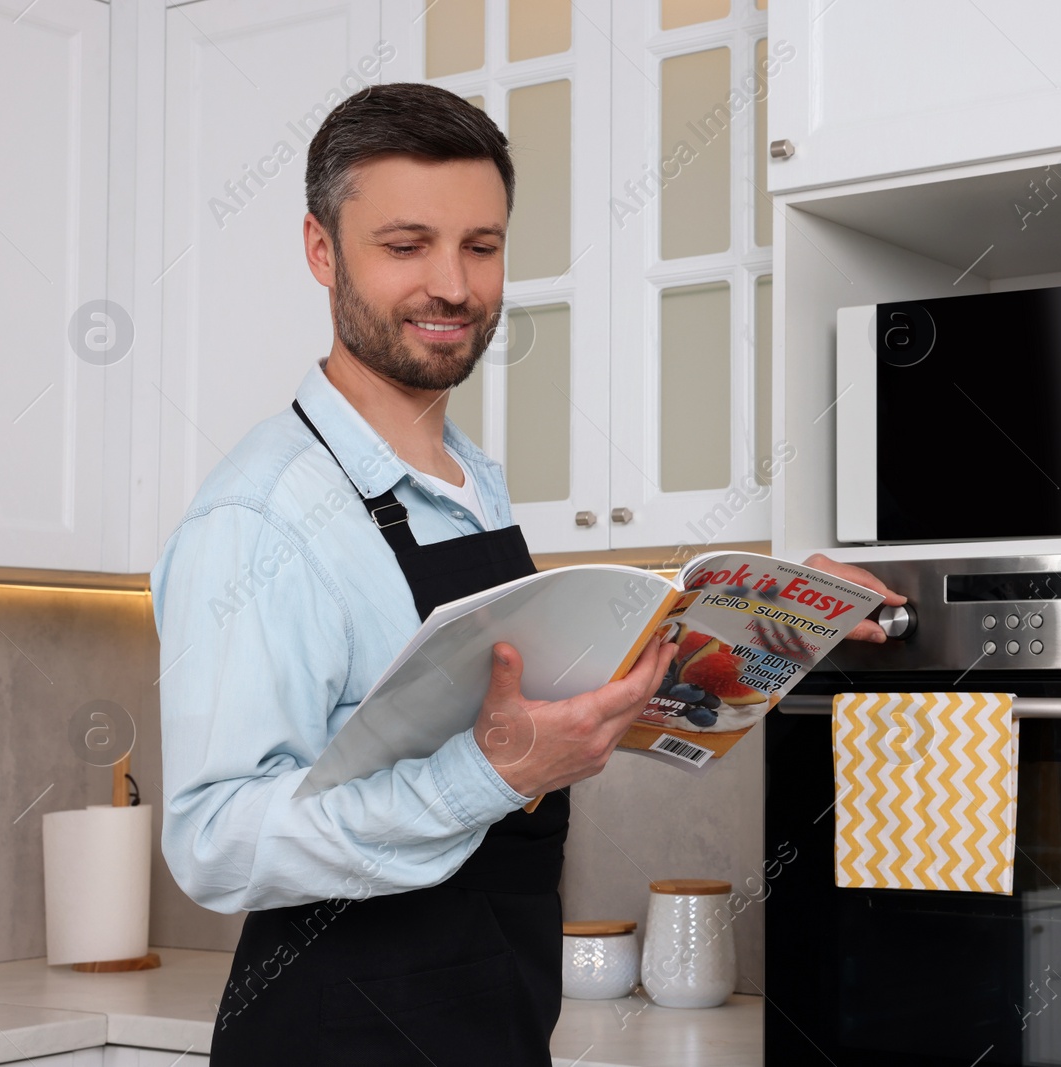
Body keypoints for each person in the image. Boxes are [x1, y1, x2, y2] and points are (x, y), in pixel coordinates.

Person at [151, 81, 903, 1066]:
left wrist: (762, 623)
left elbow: (530, 713)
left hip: (493, 1014)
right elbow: (214, 840)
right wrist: (486, 773)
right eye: (405, 244)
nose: (454, 287)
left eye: (482, 245)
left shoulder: (469, 481)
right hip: (340, 1030)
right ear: (321, 250)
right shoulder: (260, 518)